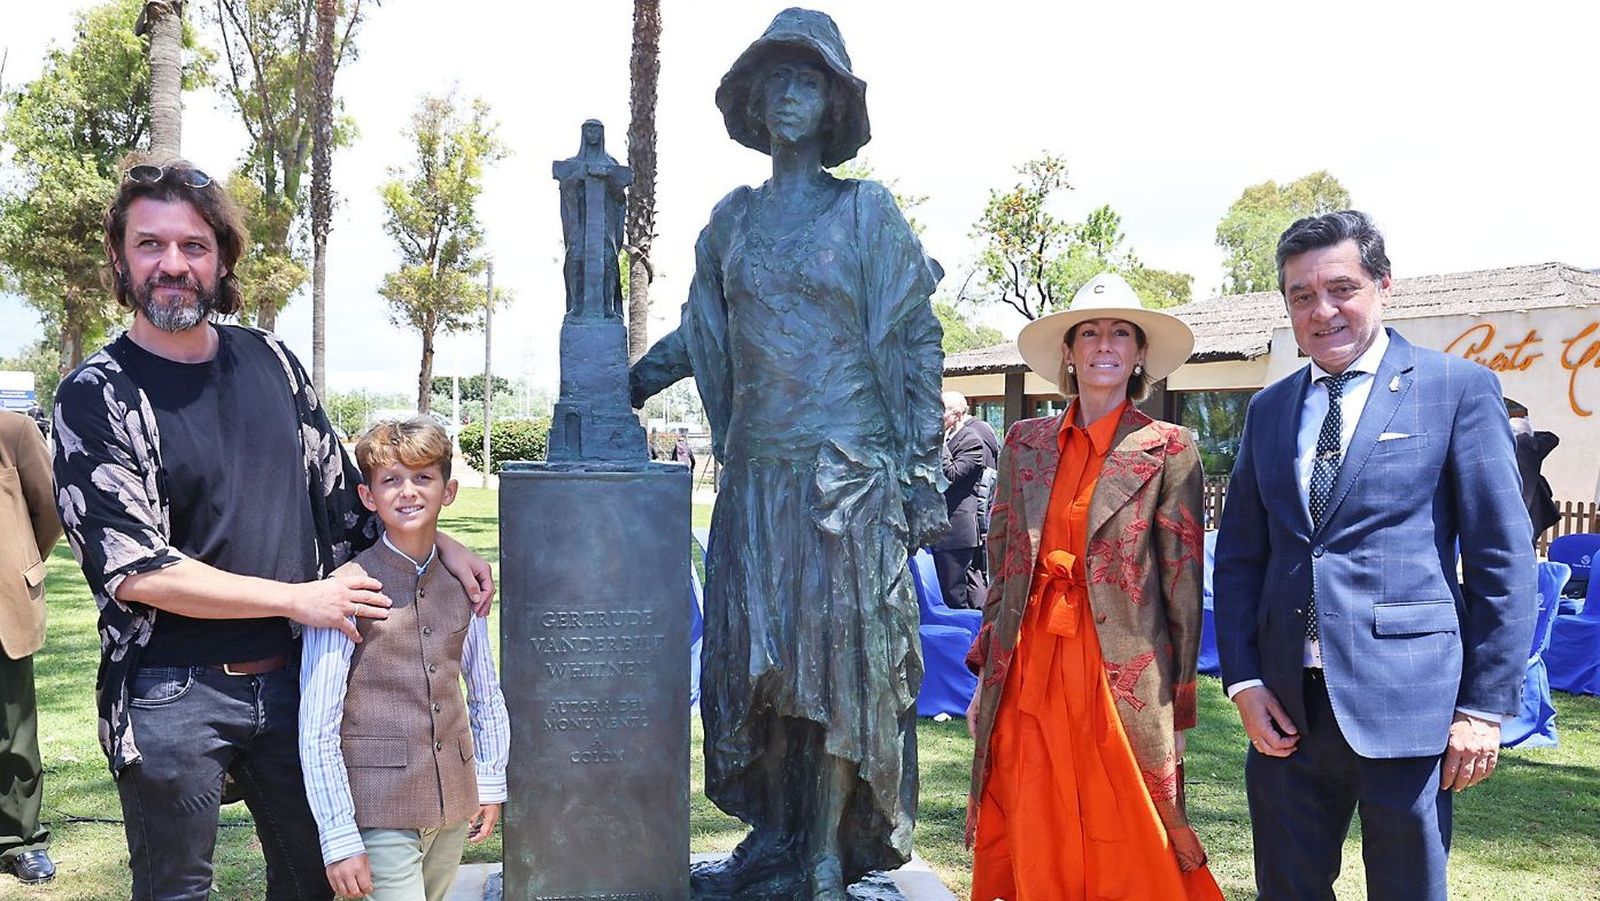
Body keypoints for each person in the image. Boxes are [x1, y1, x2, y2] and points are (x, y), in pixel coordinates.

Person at [52, 154, 494, 900]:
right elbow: (136, 569)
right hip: (172, 692)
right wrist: (297, 599)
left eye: (194, 246)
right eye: (150, 245)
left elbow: (347, 506)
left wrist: (438, 540)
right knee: (175, 890)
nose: (173, 264)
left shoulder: (273, 364)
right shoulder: (95, 396)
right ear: (121, 262)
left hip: (305, 685)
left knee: (320, 884)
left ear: (222, 259)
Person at [629, 9, 946, 898]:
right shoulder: (730, 221)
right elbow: (700, 334)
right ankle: (781, 831)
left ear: (834, 101)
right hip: (758, 478)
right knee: (758, 672)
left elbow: (914, 341)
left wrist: (921, 473)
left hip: (848, 477)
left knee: (839, 669)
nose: (790, 98)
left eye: (808, 82)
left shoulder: (866, 210)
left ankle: (821, 852)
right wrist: (619, 388)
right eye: (776, 84)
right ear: (755, 106)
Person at [1213, 210, 1535, 900]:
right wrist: (1243, 681)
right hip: (1285, 711)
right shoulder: (1268, 410)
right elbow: (1240, 556)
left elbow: (1502, 560)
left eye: (1341, 288)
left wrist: (1483, 707)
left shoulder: (1456, 389)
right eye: (1301, 295)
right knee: (1288, 888)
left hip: (1407, 708)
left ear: (1383, 286)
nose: (1321, 310)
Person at [963, 271, 1222, 900]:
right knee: (1036, 800)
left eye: (1120, 334)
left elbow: (1182, 585)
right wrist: (984, 680)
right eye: (1090, 333)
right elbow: (1003, 568)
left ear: (1138, 355)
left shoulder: (1168, 447)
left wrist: (1179, 703)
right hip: (1031, 661)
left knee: (1123, 812)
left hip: (1122, 669)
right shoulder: (1024, 443)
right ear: (1070, 353)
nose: (1104, 344)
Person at [300, 417, 509, 901]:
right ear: (369, 496)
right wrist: (337, 836)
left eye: (422, 478)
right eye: (391, 480)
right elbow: (317, 725)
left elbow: (484, 690)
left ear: (448, 490)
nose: (407, 491)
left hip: (455, 801)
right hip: (379, 807)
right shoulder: (346, 589)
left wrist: (491, 780)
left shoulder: (464, 583)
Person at [0, 411, 62, 886]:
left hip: (3, 605)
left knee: (13, 731)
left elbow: (49, 513)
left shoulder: (13, 431)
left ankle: (21, 839)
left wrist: (22, 567)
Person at [930, 391, 999, 610]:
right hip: (938, 529)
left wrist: (939, 443)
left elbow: (950, 476)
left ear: (957, 415)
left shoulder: (972, 442)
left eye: (941, 412)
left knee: (956, 595)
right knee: (957, 589)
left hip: (956, 531)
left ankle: (967, 638)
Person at [1509, 411, 1560, 545]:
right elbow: (1551, 438)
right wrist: (1529, 434)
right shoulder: (1528, 446)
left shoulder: (1505, 447)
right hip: (1528, 507)